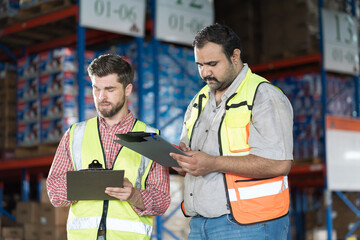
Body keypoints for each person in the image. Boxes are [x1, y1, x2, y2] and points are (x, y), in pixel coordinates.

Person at [170, 24, 293, 240]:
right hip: (200, 224)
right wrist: (182, 161)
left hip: (251, 224)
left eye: (212, 64)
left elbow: (280, 163)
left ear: (235, 56)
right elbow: (194, 156)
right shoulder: (199, 101)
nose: (204, 72)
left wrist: (213, 163)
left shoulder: (264, 96)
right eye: (199, 65)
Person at [47, 54, 171, 240]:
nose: (101, 97)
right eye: (96, 89)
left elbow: (162, 201)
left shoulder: (148, 137)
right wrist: (83, 183)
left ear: (128, 89)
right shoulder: (75, 134)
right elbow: (54, 192)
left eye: (110, 89)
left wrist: (134, 195)